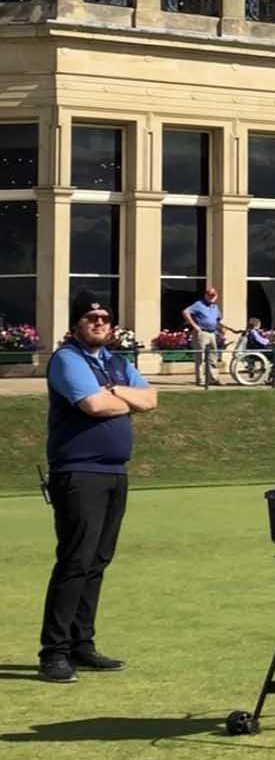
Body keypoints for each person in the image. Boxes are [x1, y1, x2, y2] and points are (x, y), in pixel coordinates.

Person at [40, 290, 158, 683]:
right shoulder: (66, 359)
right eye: (91, 318)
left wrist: (118, 392)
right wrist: (122, 398)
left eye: (104, 318)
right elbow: (92, 406)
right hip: (78, 471)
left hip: (114, 473)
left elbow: (151, 399)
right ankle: (54, 652)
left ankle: (81, 644)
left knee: (97, 561)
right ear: (75, 325)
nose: (98, 323)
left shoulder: (117, 362)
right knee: (75, 561)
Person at [182, 286, 238, 388]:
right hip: (201, 333)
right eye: (210, 295)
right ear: (206, 295)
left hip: (212, 333)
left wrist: (230, 329)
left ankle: (213, 379)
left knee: (213, 358)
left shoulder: (215, 307)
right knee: (200, 358)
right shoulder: (198, 304)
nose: (212, 297)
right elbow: (185, 312)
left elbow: (217, 321)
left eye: (214, 295)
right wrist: (194, 326)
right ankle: (201, 380)